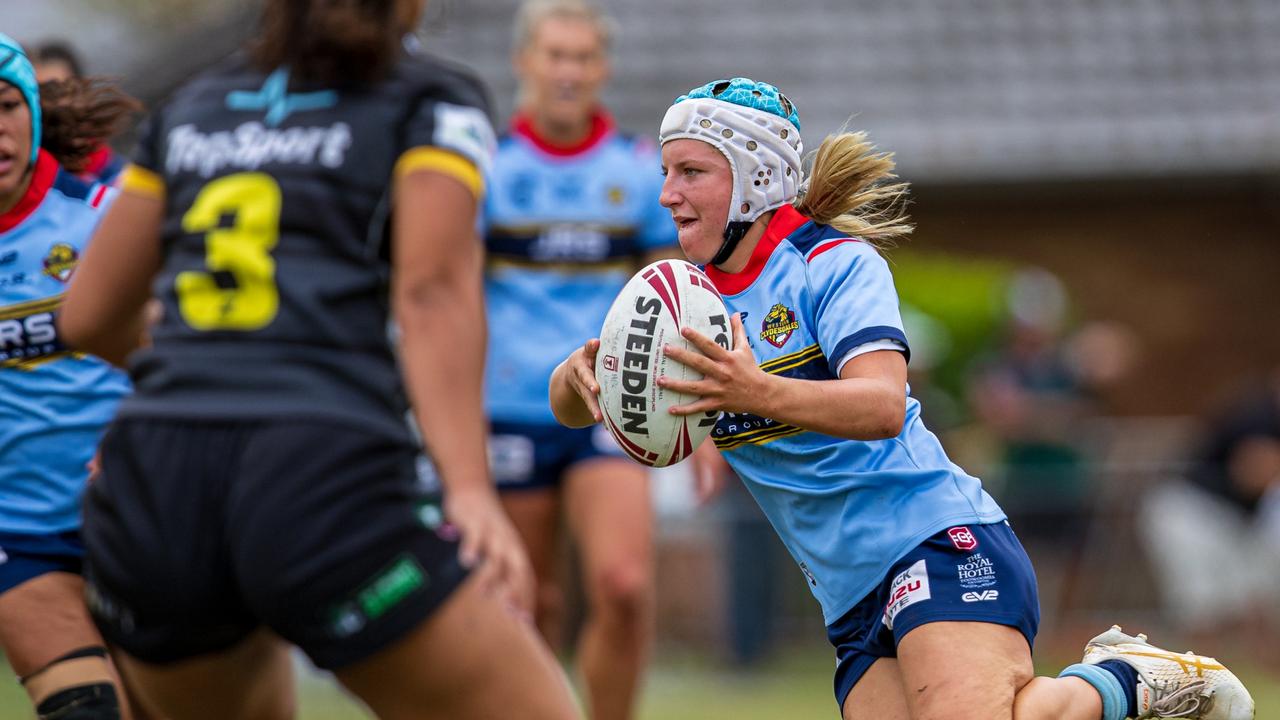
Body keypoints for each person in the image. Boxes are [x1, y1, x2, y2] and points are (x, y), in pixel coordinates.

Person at [549, 77, 1255, 720]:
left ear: (754, 179)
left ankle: (1126, 682)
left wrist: (755, 389)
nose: (668, 194)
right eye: (667, 173)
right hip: (848, 596)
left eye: (691, 173)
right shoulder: (683, 300)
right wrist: (582, 377)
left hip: (937, 540)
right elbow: (574, 407)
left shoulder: (832, 263)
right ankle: (1124, 683)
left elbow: (882, 404)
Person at [57, 2, 580, 718]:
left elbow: (86, 315)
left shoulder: (191, 107)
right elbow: (430, 293)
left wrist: (188, 377)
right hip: (320, 471)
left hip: (156, 484)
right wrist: (468, 489)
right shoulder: (428, 99)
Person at [482, 2, 679, 717]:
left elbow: (673, 299)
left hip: (613, 407)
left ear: (603, 67)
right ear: (525, 61)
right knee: (525, 606)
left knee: (624, 586)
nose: (569, 72)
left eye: (583, 58)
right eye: (555, 55)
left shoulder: (637, 170)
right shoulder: (487, 168)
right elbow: (446, 299)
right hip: (507, 408)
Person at [0, 32, 142, 720]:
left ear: (31, 111)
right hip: (17, 536)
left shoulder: (104, 218)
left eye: (3, 106)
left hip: (134, 518)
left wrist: (134, 438)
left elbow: (186, 355)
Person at [28, 40, 126, 186]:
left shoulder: (125, 181)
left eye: (58, 91)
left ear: (83, 94)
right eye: (38, 95)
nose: (48, 106)